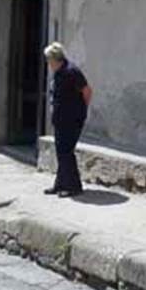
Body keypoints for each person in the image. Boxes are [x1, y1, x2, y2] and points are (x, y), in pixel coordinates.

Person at [43, 42, 92, 198]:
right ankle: (60, 184)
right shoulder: (58, 72)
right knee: (61, 152)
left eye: (49, 60)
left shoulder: (72, 71)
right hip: (60, 120)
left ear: (55, 59)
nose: (48, 63)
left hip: (72, 120)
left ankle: (74, 187)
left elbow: (87, 91)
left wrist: (80, 110)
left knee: (66, 152)